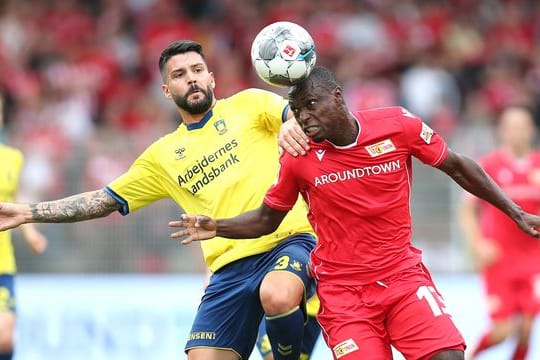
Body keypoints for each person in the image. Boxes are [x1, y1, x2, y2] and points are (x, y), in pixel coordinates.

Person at [169, 67, 540, 360]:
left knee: (447, 355)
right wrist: (217, 226)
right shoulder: (298, 159)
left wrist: (515, 212)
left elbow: (458, 166)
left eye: (312, 105)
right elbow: (267, 218)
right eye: (297, 111)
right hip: (344, 296)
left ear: (337, 97)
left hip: (402, 278)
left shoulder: (397, 125)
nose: (304, 117)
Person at [0, 40, 318, 360]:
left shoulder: (250, 104)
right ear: (166, 90)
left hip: (288, 241)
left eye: (197, 70)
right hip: (228, 268)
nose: (191, 79)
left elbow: (294, 113)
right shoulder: (162, 157)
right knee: (202, 356)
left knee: (276, 295)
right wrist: (28, 212)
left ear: (211, 78)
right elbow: (103, 200)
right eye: (179, 74)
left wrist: (293, 121)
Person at [459, 105, 540, 360]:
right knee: (502, 331)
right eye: (512, 127)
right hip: (500, 259)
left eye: (522, 127)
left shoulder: (538, 165)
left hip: (534, 259)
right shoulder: (488, 166)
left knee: (527, 328)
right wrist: (478, 244)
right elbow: (467, 209)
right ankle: (469, 354)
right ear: (502, 132)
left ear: (531, 131)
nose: (517, 133)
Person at [0, 94, 48, 360]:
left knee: (4, 336)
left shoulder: (12, 158)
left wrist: (30, 232)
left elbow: (14, 200)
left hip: (2, 262)